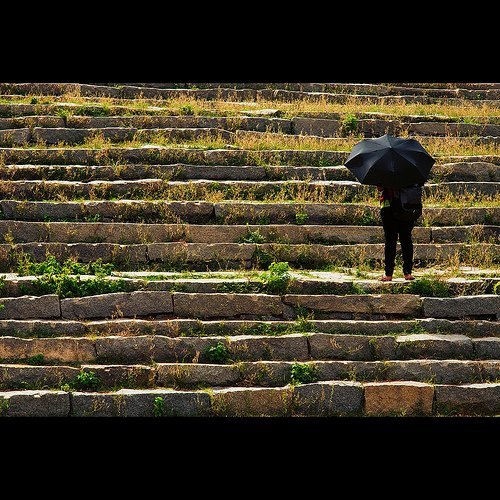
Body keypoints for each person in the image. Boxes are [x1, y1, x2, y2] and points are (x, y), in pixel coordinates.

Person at [377, 185, 416, 282]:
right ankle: (408, 272)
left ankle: (389, 274)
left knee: (391, 241)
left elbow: (380, 188)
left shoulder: (385, 171)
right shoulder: (411, 171)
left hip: (390, 207)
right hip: (407, 207)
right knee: (406, 239)